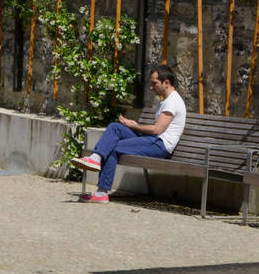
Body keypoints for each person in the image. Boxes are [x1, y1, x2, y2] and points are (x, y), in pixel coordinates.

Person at [71, 64, 186, 203]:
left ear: (166, 82)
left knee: (114, 148)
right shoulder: (165, 101)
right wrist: (133, 126)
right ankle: (95, 158)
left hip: (160, 146)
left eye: (154, 83)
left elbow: (157, 130)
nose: (151, 87)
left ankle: (101, 193)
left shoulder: (173, 101)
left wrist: (135, 126)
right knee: (115, 127)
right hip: (153, 140)